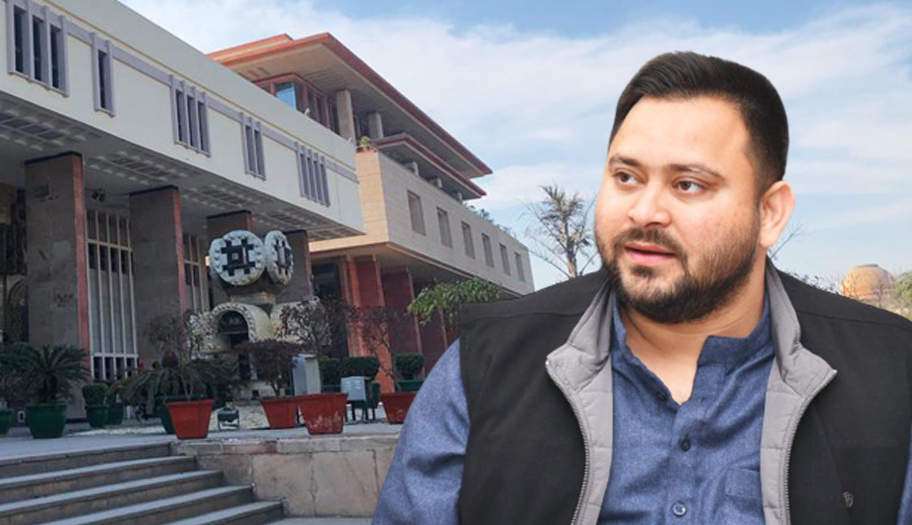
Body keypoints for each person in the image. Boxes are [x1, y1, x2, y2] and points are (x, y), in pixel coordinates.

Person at [375, 52, 912, 525]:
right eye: (626, 177)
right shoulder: (486, 366)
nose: (645, 211)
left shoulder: (892, 371)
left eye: (688, 184)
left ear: (769, 213)